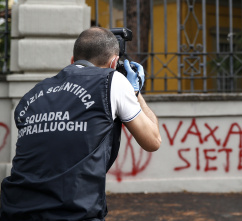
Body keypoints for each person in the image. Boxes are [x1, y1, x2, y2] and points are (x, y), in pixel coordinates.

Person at [0, 27, 162, 220]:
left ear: (72, 60)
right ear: (113, 63)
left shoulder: (34, 93)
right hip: (73, 211)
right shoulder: (112, 81)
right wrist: (134, 91)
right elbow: (153, 141)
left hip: (14, 209)